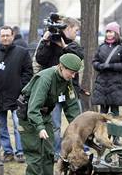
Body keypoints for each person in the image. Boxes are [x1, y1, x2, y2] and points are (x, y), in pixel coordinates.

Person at [19, 53, 81, 175]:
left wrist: (79, 126)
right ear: (62, 67)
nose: (73, 76)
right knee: (35, 153)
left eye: (75, 73)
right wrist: (40, 128)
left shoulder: (66, 80)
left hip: (45, 115)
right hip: (30, 118)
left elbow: (71, 105)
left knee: (48, 152)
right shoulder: (45, 79)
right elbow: (33, 108)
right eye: (71, 72)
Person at [35, 16, 86, 161]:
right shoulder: (49, 42)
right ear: (68, 28)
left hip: (70, 90)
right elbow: (40, 59)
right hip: (53, 91)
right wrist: (45, 42)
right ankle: (57, 154)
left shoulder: (73, 44)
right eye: (76, 30)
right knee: (55, 125)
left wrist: (65, 46)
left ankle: (79, 150)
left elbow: (79, 58)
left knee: (77, 123)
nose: (77, 33)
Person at [0, 26, 33, 162]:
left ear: (13, 36)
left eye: (7, 35)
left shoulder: (22, 53)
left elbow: (28, 72)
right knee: (1, 126)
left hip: (18, 96)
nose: (5, 38)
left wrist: (22, 89)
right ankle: (7, 151)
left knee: (18, 125)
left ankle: (20, 151)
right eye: (2, 35)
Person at [92, 22, 122, 115]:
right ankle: (101, 130)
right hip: (102, 84)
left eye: (111, 32)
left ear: (116, 33)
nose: (109, 34)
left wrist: (111, 66)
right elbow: (94, 61)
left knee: (115, 113)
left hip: (115, 84)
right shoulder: (101, 47)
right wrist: (99, 66)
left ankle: (115, 130)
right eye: (107, 31)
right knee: (102, 114)